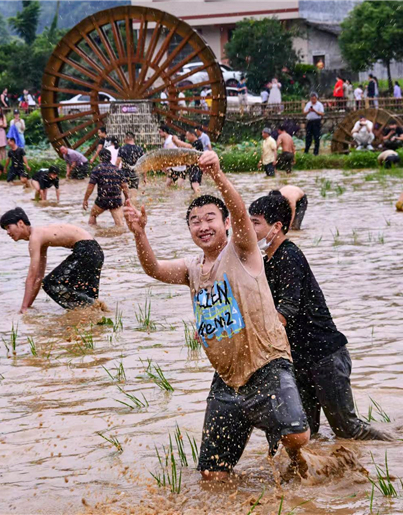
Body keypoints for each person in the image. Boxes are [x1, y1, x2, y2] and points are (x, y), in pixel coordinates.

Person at [122, 152, 311, 480]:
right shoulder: (191, 268)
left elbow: (239, 213)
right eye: (194, 221)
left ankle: (297, 454)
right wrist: (139, 232)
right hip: (226, 379)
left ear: (225, 223)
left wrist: (219, 176)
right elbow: (153, 269)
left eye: (210, 217)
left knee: (297, 438)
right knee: (212, 476)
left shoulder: (242, 251)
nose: (202, 225)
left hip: (266, 364)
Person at [248, 194, 392, 441]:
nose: (250, 229)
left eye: (256, 223)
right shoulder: (267, 262)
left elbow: (287, 310)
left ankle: (399, 448)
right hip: (300, 359)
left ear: (277, 227)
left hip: (325, 356)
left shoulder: (289, 256)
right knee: (306, 434)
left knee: (348, 430)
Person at [0, 207, 104, 313]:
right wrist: (28, 306)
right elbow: (38, 277)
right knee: (83, 294)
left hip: (86, 250)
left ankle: (91, 306)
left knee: (51, 283)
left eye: (8, 227)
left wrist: (23, 308)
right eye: (5, 229)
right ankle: (94, 310)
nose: (7, 232)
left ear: (21, 223)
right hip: (95, 252)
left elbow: (31, 276)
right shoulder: (40, 236)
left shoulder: (35, 238)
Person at [84, 148, 129, 226]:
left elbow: (90, 187)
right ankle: (121, 238)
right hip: (116, 200)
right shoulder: (117, 170)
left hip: (102, 200)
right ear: (110, 158)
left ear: (100, 158)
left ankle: (93, 234)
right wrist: (127, 198)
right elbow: (124, 186)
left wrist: (85, 200)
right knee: (120, 224)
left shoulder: (97, 169)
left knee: (93, 215)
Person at [172, 129, 205, 193]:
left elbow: (189, 147)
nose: (186, 138)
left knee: (195, 184)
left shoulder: (198, 142)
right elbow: (182, 147)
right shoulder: (193, 143)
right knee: (193, 185)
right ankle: (195, 198)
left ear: (192, 135)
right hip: (193, 167)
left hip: (197, 167)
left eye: (187, 136)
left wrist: (177, 140)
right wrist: (175, 142)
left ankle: (199, 197)